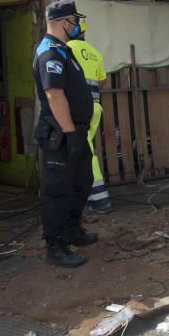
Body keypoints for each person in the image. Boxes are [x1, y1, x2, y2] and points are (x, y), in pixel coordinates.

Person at [32, 0, 98, 267]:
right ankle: (55, 245)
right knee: (58, 191)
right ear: (63, 22)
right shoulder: (50, 52)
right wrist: (71, 134)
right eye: (74, 20)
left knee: (83, 181)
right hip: (61, 133)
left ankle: (72, 229)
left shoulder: (63, 49)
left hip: (75, 131)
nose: (77, 25)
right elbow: (54, 94)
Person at [68, 18, 112, 214]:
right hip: (95, 107)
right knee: (86, 148)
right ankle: (94, 198)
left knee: (83, 153)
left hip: (78, 109)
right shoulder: (94, 52)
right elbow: (103, 80)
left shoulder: (67, 48)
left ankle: (97, 199)